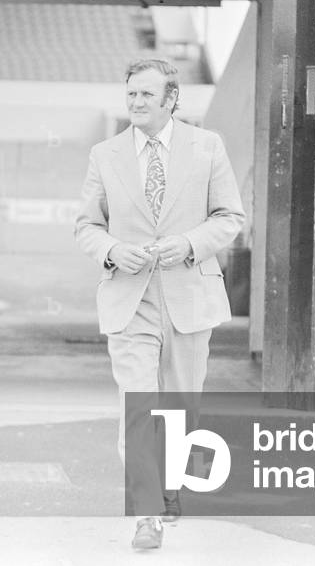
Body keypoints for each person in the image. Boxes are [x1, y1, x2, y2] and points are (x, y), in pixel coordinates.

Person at [74, 58, 245, 550]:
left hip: (189, 295)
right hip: (130, 301)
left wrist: (191, 243)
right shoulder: (104, 155)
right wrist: (111, 250)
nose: (136, 102)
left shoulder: (207, 147)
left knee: (181, 404)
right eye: (131, 94)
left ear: (172, 100)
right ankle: (146, 513)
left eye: (147, 94)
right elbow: (86, 224)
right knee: (138, 405)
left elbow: (229, 215)